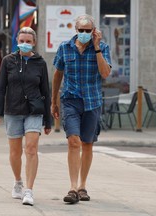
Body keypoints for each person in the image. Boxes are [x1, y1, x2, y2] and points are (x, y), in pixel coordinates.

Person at [51, 14, 112, 204]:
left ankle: (82, 186)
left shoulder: (102, 48)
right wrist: (54, 101)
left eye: (88, 30)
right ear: (75, 30)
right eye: (81, 30)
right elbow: (57, 74)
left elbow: (105, 73)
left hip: (92, 101)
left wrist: (96, 48)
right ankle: (72, 187)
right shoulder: (64, 48)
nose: (84, 33)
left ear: (93, 32)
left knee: (87, 143)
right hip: (70, 100)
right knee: (73, 141)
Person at [0, 27, 52, 206]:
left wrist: (48, 120)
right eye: (22, 40)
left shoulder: (40, 63)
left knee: (31, 149)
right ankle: (18, 181)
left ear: (34, 43)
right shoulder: (8, 61)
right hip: (13, 111)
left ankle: (29, 190)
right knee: (15, 152)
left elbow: (46, 92)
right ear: (17, 41)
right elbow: (1, 88)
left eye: (28, 41)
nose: (25, 44)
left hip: (34, 111)